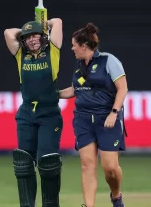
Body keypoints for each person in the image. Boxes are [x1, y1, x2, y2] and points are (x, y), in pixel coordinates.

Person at [59, 23, 128, 207]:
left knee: (110, 169)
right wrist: (54, 93)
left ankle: (116, 196)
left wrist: (114, 113)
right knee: (87, 165)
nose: (72, 48)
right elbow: (76, 89)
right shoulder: (79, 65)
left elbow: (122, 89)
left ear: (83, 46)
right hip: (83, 120)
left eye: (74, 45)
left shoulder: (109, 60)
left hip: (107, 119)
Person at [4, 18, 63, 207]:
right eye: (28, 37)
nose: (32, 40)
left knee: (48, 163)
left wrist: (43, 23)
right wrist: (28, 29)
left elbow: (58, 22)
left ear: (43, 36)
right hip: (27, 114)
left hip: (49, 114)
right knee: (23, 163)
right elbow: (8, 32)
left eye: (35, 35)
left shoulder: (52, 51)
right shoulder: (21, 54)